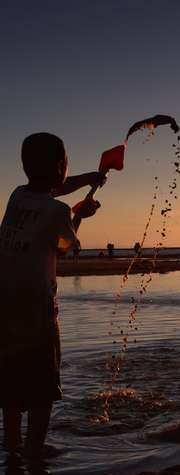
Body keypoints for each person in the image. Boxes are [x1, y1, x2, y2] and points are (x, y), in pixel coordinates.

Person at [0, 132, 101, 456]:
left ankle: (11, 444)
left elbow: (53, 188)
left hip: (5, 305)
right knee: (42, 383)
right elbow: (65, 248)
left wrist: (87, 179)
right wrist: (80, 215)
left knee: (11, 380)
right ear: (60, 167)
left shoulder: (17, 196)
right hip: (37, 308)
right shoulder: (58, 211)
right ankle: (35, 448)